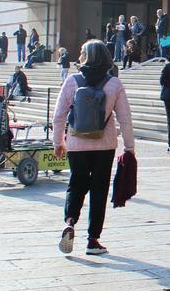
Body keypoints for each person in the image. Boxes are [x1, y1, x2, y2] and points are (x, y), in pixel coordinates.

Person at [53, 39, 135, 256]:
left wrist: (58, 142)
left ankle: (70, 222)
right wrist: (129, 148)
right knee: (99, 191)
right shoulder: (114, 84)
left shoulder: (72, 81)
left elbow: (59, 115)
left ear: (88, 56)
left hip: (76, 144)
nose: (79, 56)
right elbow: (125, 118)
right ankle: (93, 240)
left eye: (82, 52)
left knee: (76, 184)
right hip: (104, 145)